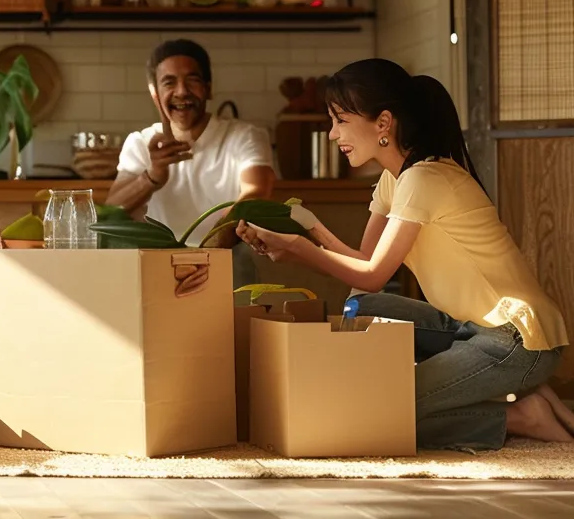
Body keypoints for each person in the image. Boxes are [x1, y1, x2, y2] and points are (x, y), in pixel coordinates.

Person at [238, 58, 574, 450]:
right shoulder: (392, 180)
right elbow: (362, 267)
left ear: (383, 123)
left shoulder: (425, 178)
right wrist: (304, 233)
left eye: (341, 120)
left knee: (377, 413)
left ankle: (520, 416)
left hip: (516, 339)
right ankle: (512, 391)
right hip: (467, 329)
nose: (333, 134)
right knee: (361, 306)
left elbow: (372, 272)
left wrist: (300, 246)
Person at [111, 39, 277, 288]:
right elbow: (112, 208)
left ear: (209, 89)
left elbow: (256, 194)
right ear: (155, 94)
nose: (181, 92)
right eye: (169, 82)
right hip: (158, 267)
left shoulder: (245, 136)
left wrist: (204, 255)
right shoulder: (139, 143)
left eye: (192, 80)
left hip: (226, 261)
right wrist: (153, 176)